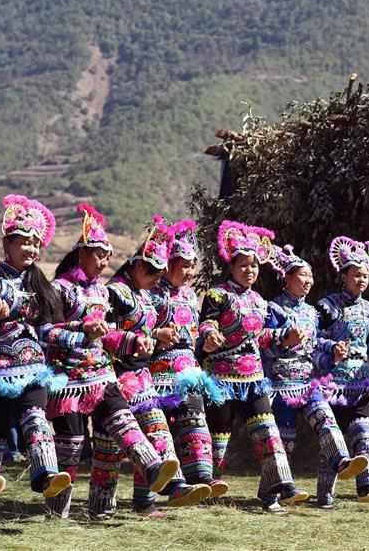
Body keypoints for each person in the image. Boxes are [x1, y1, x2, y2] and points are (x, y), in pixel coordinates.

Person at [43, 203, 181, 518]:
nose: (104, 261)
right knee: (72, 447)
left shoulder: (102, 294)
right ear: (80, 253)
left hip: (101, 375)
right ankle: (57, 514)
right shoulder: (59, 289)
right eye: (98, 254)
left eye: (107, 255)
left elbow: (108, 335)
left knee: (125, 422)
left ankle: (155, 470)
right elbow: (46, 332)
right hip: (67, 380)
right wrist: (81, 328)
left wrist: (134, 340)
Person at [104, 216, 211, 514]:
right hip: (115, 375)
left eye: (158, 272)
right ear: (136, 265)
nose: (156, 277)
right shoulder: (116, 292)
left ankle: (172, 487)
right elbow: (102, 333)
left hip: (141, 374)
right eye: (151, 271)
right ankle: (104, 507)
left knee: (157, 431)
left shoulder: (143, 293)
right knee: (108, 450)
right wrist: (147, 338)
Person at [198, 220, 298, 512]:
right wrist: (209, 334)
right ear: (231, 266)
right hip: (220, 378)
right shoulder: (218, 295)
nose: (250, 270)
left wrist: (285, 337)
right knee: (219, 439)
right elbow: (207, 323)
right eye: (243, 265)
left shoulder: (259, 300)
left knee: (268, 431)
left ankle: (276, 491)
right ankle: (207, 490)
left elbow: (262, 337)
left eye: (254, 265)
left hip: (254, 378)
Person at [265, 244, 368, 509]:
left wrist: (333, 351)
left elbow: (314, 347)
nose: (309, 281)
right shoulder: (273, 308)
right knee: (284, 443)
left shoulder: (311, 313)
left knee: (326, 419)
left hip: (309, 382)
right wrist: (283, 339)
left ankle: (342, 461)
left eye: (311, 277)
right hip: (280, 384)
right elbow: (264, 344)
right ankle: (270, 494)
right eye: (303, 276)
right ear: (287, 278)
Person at [0, 195, 71, 506]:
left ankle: (47, 475)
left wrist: (81, 337)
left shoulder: (40, 286)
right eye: (24, 242)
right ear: (6, 243)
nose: (31, 249)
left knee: (36, 418)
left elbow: (48, 330)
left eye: (35, 243)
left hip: (34, 366)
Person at [149, 219, 228, 498]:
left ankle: (202, 478)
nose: (190, 271)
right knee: (162, 432)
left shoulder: (192, 296)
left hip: (189, 372)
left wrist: (206, 344)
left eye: (193, 265)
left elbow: (194, 337)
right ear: (168, 263)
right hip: (157, 372)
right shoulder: (152, 294)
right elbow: (140, 331)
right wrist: (156, 335)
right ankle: (166, 487)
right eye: (184, 264)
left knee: (196, 423)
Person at [313, 236, 369, 504]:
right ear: (343, 276)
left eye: (365, 276)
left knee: (365, 435)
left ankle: (368, 487)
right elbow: (313, 339)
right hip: (332, 383)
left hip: (362, 382)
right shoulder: (326, 306)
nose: (361, 280)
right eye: (356, 275)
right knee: (331, 444)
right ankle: (325, 494)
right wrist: (332, 348)